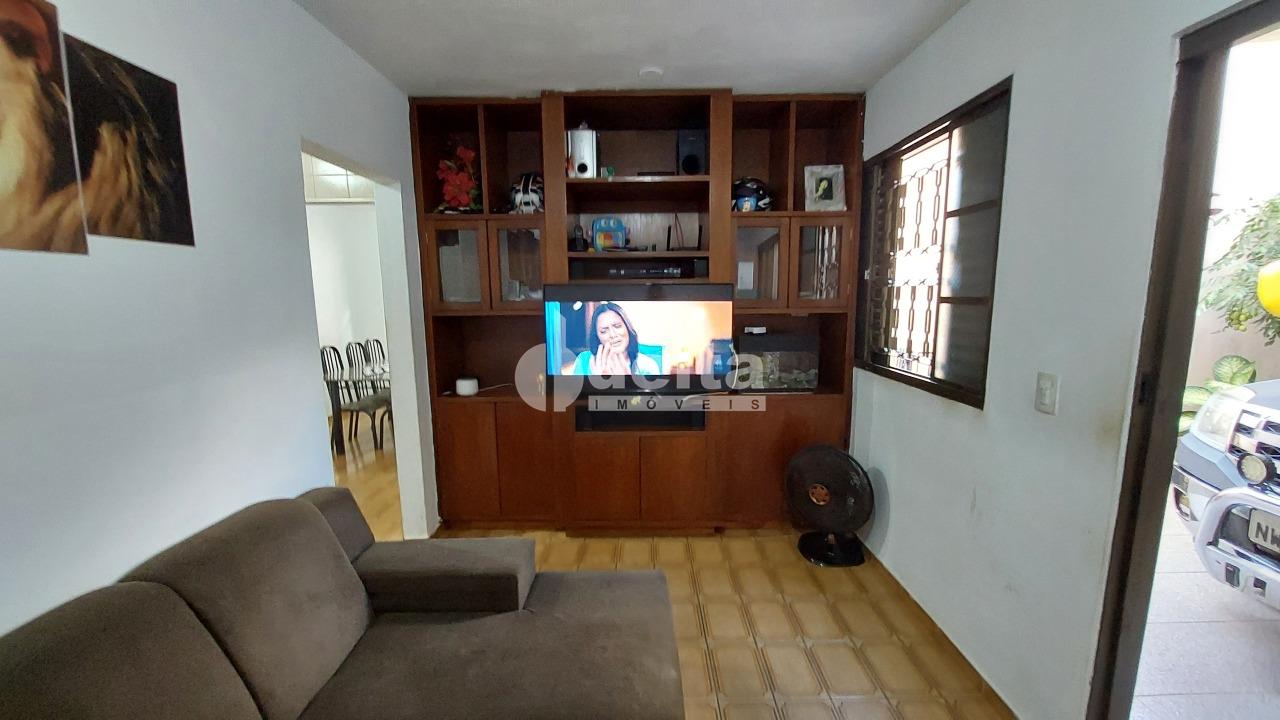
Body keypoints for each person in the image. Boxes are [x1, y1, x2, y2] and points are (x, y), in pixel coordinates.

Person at [570, 302, 660, 376]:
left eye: (617, 326)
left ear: (627, 328)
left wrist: (627, 382)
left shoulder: (647, 366)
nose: (613, 335)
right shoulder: (583, 361)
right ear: (597, 337)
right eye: (604, 331)